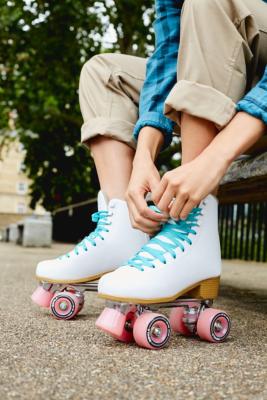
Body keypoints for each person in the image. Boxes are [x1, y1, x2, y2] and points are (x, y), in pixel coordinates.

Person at [36, 0, 266, 303]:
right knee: (104, 73)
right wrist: (144, 155)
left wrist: (214, 158)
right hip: (226, 81)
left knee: (208, 2)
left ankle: (191, 230)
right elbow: (169, 56)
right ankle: (124, 231)